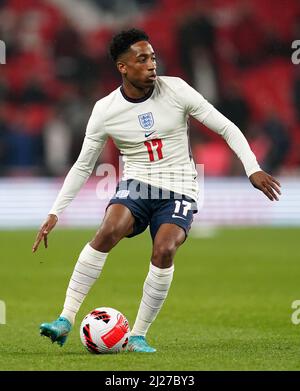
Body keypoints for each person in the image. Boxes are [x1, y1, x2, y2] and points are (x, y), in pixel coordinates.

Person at [32, 29, 281, 353]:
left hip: (180, 189)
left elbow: (225, 126)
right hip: (137, 185)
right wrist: (55, 211)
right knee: (109, 228)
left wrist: (252, 167)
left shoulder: (176, 90)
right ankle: (65, 319)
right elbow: (82, 166)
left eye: (152, 57)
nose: (152, 64)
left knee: (164, 249)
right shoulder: (106, 110)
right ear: (123, 67)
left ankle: (138, 334)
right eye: (142, 59)